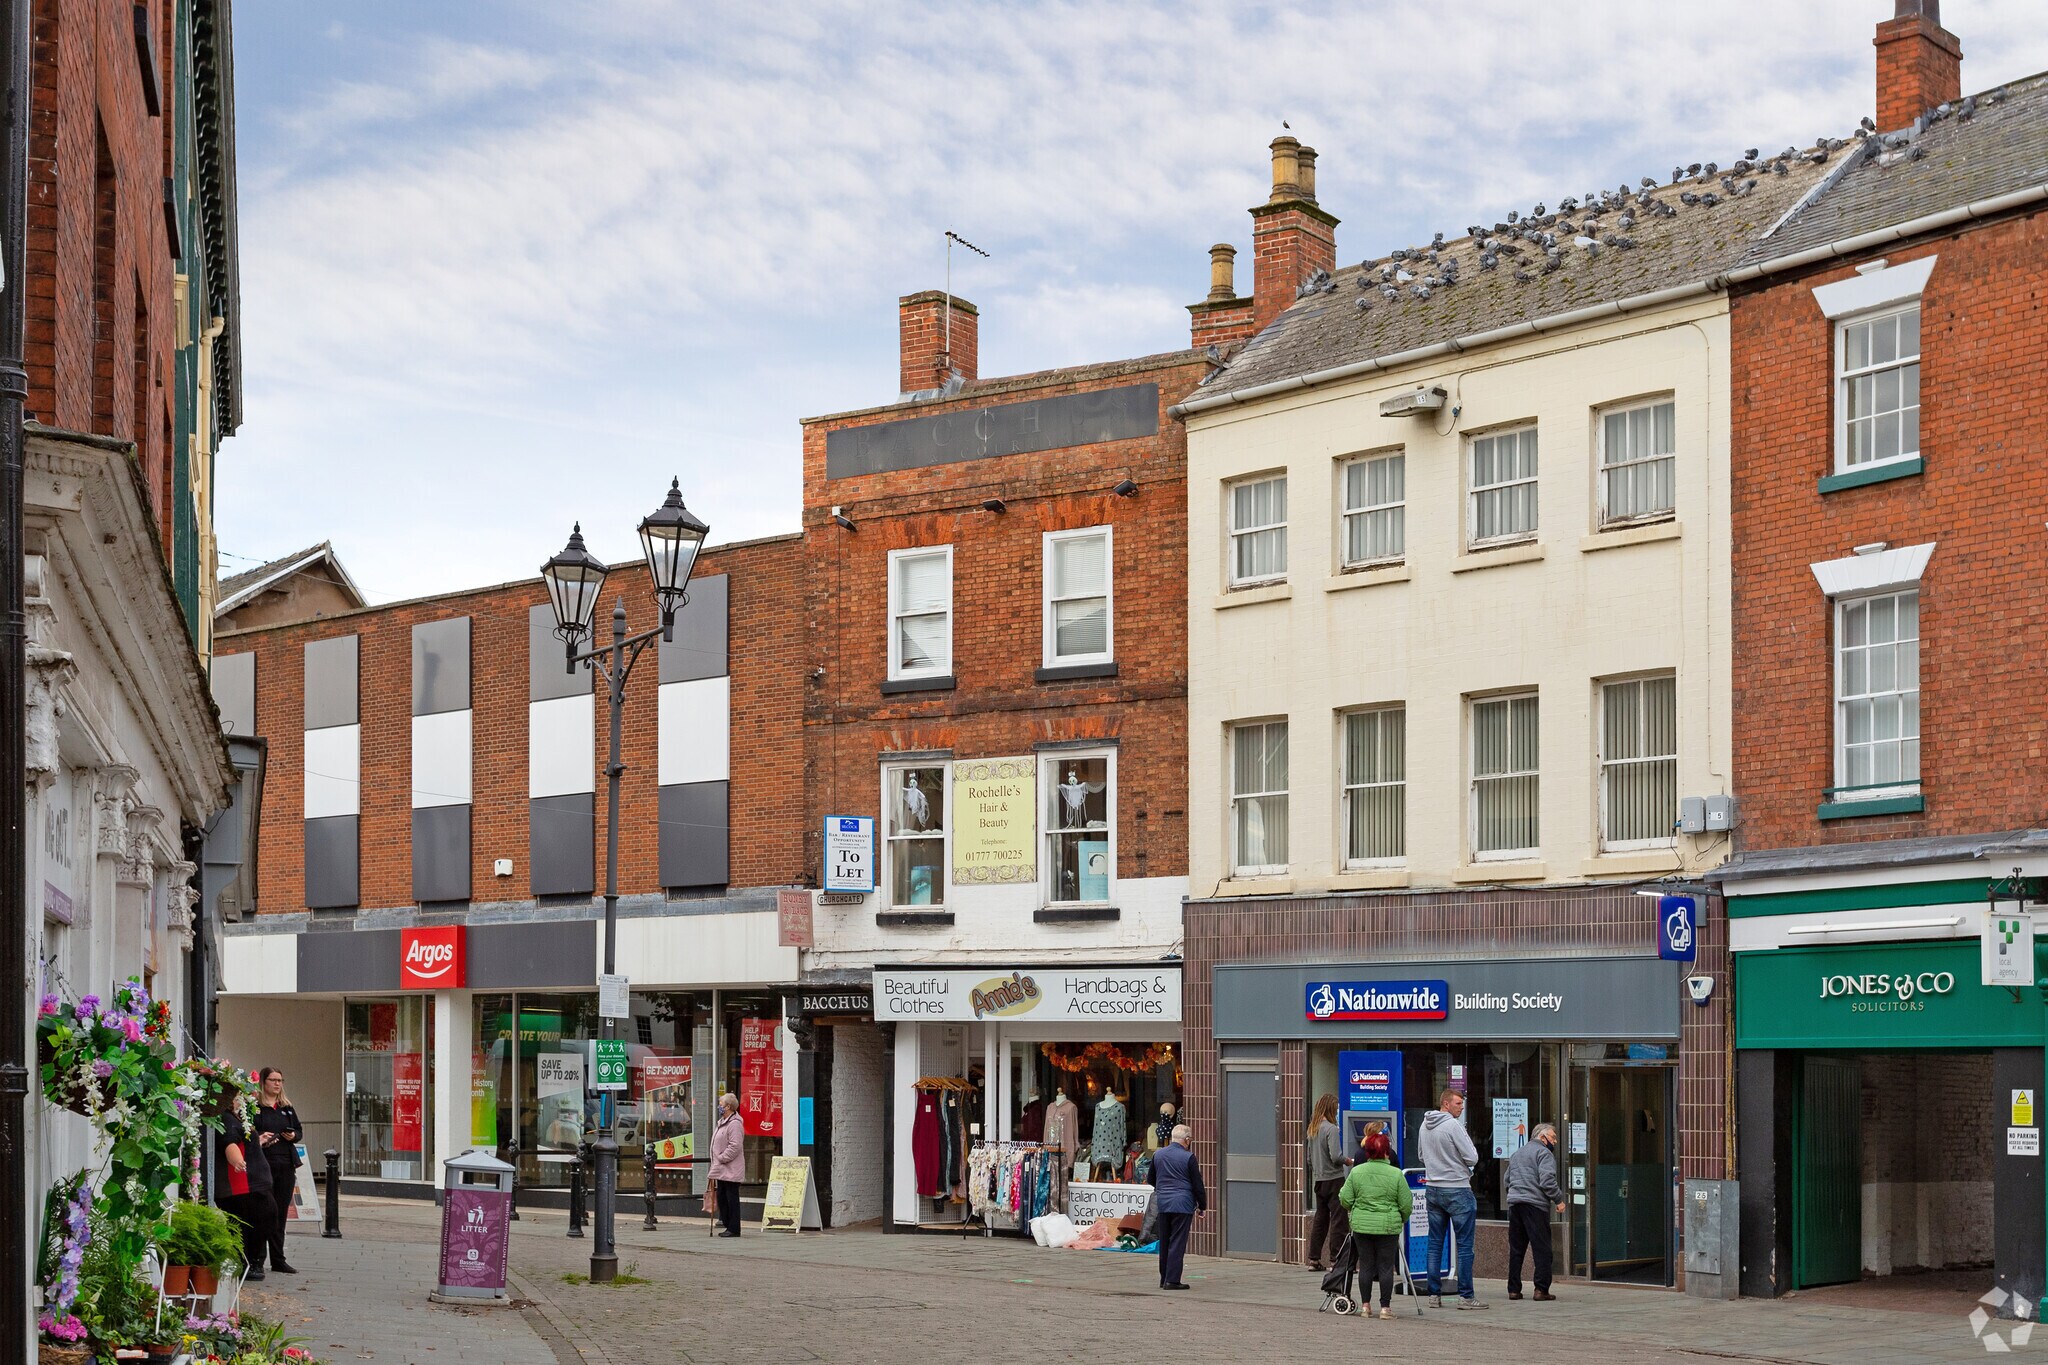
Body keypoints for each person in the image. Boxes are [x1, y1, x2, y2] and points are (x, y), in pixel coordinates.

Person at [1419, 1088, 1484, 1309]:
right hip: (1457, 1188)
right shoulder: (1452, 1126)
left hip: (1433, 1188)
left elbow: (1421, 1155)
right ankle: (1466, 1297)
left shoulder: (1423, 1125)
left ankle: (1433, 1295)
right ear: (1445, 1104)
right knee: (1465, 1246)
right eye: (1458, 1103)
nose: (1461, 1107)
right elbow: (1472, 1157)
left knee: (1435, 1244)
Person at [1338, 1131, 1412, 1320]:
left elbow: (1344, 1198)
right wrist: (1400, 1218)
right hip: (1388, 1226)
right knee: (1386, 1267)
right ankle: (1385, 1308)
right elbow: (1406, 1204)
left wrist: (1355, 1210)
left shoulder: (1357, 1172)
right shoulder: (1396, 1174)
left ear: (1368, 1152)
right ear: (1387, 1152)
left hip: (1362, 1226)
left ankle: (1365, 1306)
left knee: (1366, 1265)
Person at [214, 1105, 275, 1282]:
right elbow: (229, 1141)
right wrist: (238, 1161)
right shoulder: (226, 1117)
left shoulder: (237, 1117)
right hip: (243, 1184)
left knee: (260, 1220)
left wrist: (259, 1140)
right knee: (255, 1221)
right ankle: (248, 1262)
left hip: (252, 1182)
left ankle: (251, 1262)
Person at [1505, 1122, 1564, 1302]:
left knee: (1517, 1249)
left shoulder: (1517, 1154)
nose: (1554, 1142)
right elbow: (1547, 1181)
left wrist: (1516, 1194)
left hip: (1515, 1205)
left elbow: (1507, 1180)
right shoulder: (1543, 1153)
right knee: (1542, 1249)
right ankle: (1541, 1289)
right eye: (1553, 1138)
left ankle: (1513, 1290)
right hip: (1535, 1206)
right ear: (1542, 1137)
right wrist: (1559, 1199)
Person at [252, 1067, 302, 1274]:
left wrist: (293, 1136)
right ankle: (257, 1260)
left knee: (280, 1214)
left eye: (280, 1080)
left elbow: (298, 1131)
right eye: (273, 1080)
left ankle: (278, 1259)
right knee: (264, 1212)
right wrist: (261, 1137)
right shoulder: (255, 1107)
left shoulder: (287, 1108)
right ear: (263, 1082)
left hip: (285, 1164)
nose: (277, 1084)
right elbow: (248, 1132)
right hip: (264, 1164)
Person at [1150, 1123, 1207, 1291]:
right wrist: (1202, 1205)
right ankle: (1172, 1280)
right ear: (1187, 1140)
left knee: (1165, 1241)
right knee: (1177, 1242)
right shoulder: (1189, 1157)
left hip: (1163, 1203)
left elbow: (1151, 1179)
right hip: (1183, 1204)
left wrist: (1163, 1189)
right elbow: (1197, 1184)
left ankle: (1164, 1278)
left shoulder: (1158, 1154)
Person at [1304, 1093, 1351, 1271]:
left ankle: (1314, 1258)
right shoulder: (1331, 1129)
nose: (1338, 1111)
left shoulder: (1313, 1129)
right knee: (1339, 1220)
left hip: (1319, 1180)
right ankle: (1336, 1259)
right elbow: (1336, 1156)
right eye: (1337, 1108)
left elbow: (1309, 1159)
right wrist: (1348, 1161)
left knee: (1320, 1219)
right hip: (1334, 1179)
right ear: (1331, 1108)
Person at [708, 1092, 744, 1237]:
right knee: (722, 1197)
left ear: (728, 1106)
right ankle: (728, 1225)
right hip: (722, 1168)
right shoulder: (723, 1122)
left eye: (721, 1105)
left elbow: (735, 1146)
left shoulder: (734, 1124)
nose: (719, 1107)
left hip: (730, 1168)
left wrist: (722, 1158)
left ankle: (734, 1228)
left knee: (731, 1198)